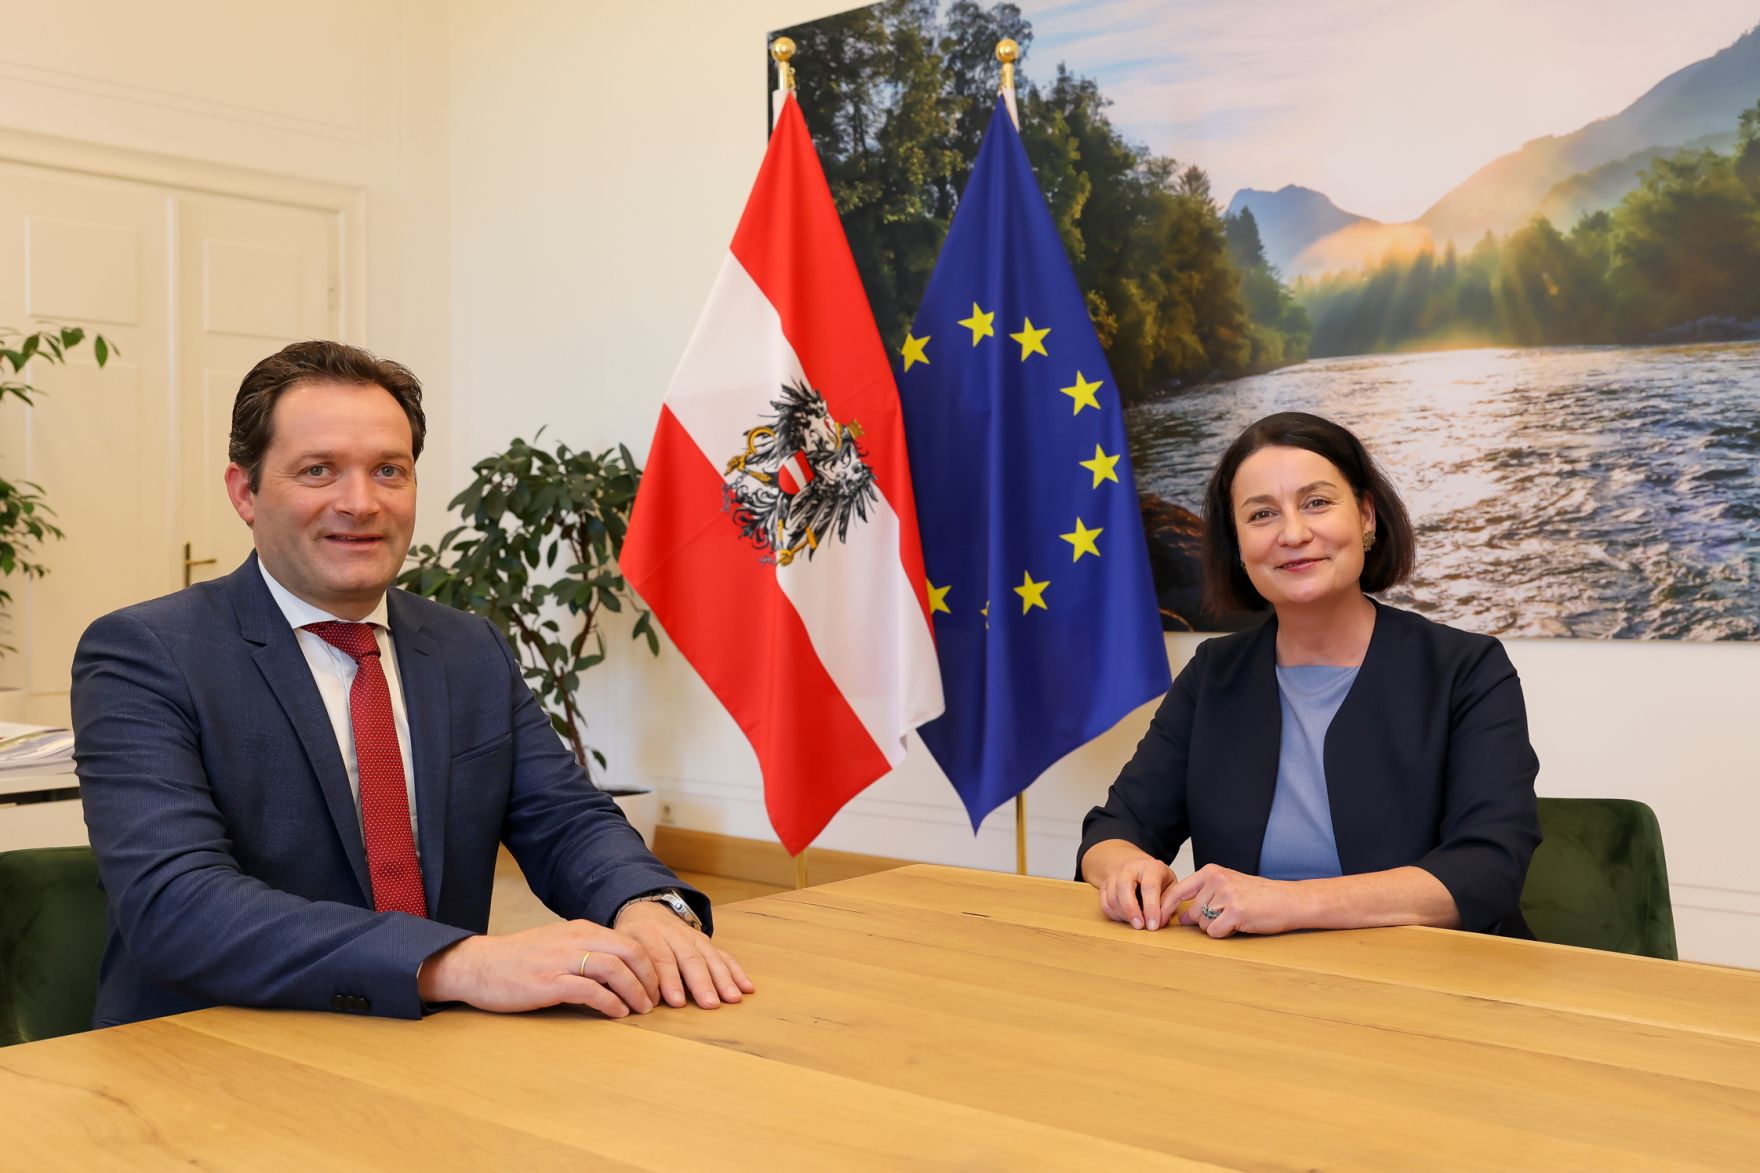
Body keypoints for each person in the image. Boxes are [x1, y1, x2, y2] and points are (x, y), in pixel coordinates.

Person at [73, 340, 752, 1027]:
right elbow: (176, 906)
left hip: (436, 1046)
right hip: (216, 1048)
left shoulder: (467, 647)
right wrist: (456, 962)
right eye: (318, 470)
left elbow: (566, 818)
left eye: (388, 470)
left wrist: (644, 903)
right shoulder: (146, 654)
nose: (360, 503)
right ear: (245, 492)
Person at [1078, 411, 1540, 939]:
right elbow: (1115, 828)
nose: (1293, 533)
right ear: (1236, 542)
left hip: (1432, 989)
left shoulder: (1468, 669)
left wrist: (1289, 902)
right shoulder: (1213, 673)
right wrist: (1123, 868)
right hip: (1251, 989)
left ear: (1366, 516)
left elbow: (1488, 870)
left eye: (1317, 502)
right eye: (1261, 515)